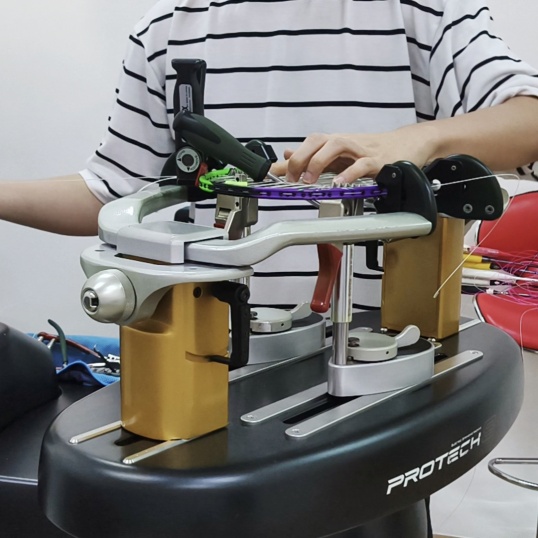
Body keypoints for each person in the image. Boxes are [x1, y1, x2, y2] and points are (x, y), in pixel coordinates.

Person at [2, 0, 538, 311]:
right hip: (215, 361)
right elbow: (110, 192)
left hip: (392, 362)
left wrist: (417, 140)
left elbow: (529, 121)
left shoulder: (418, 8)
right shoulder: (165, 29)